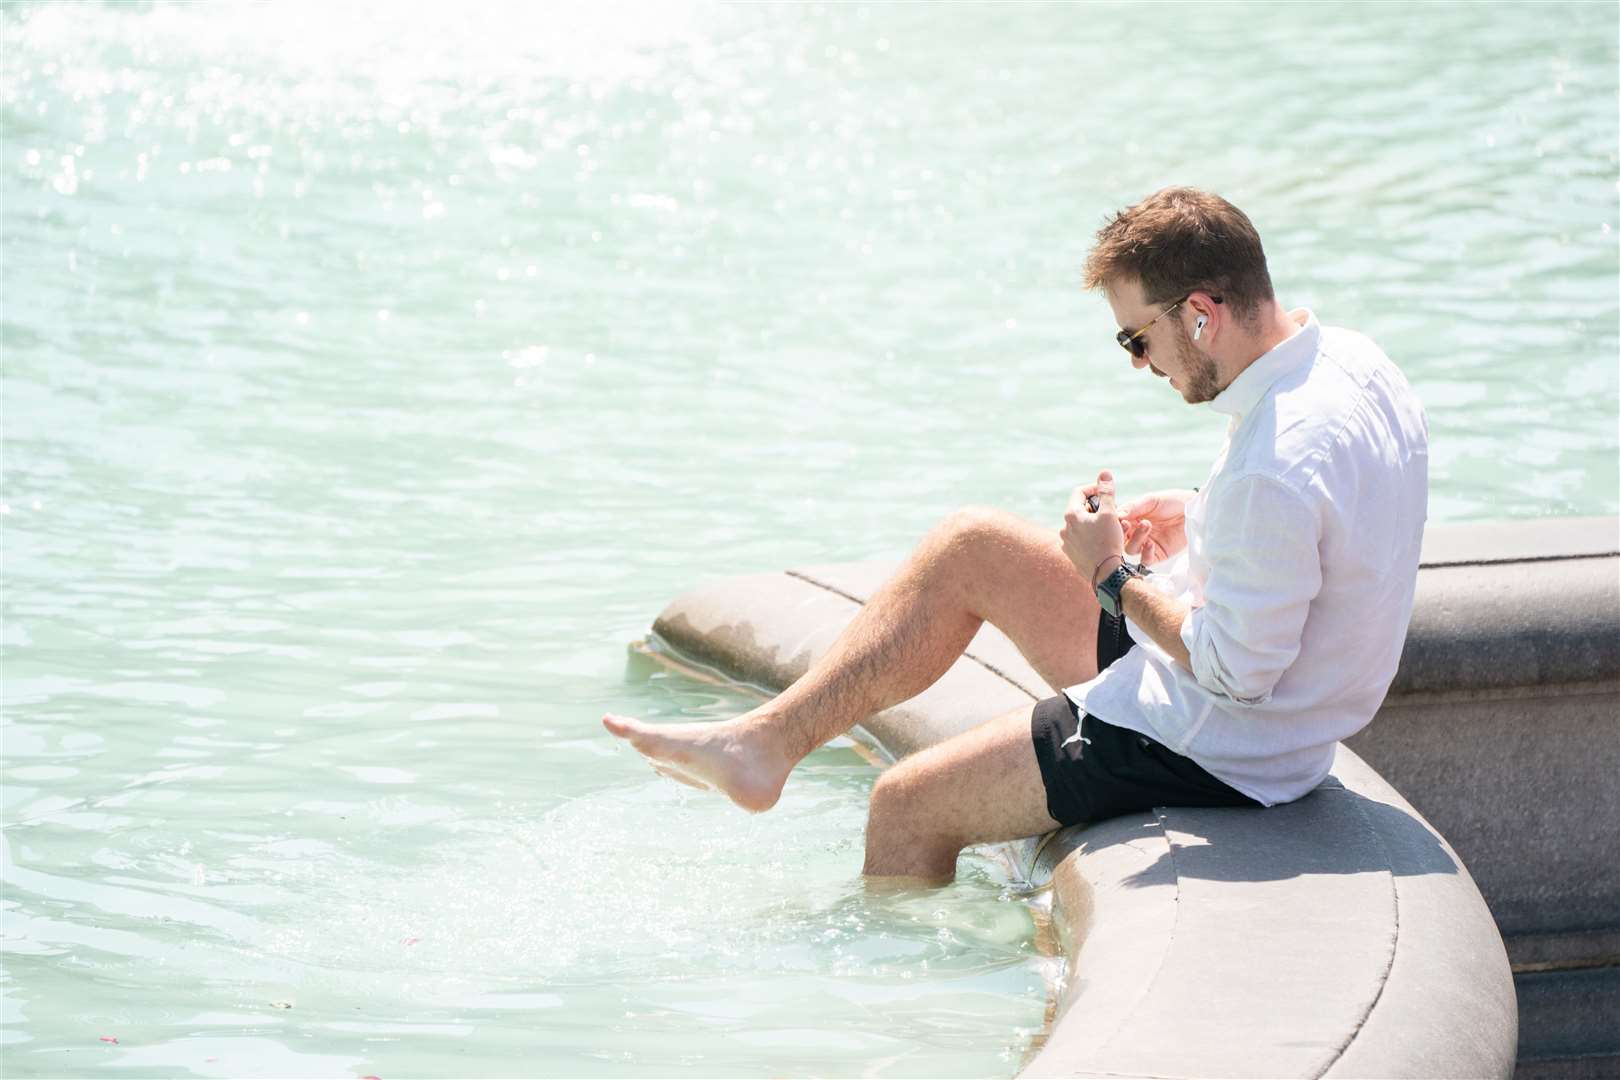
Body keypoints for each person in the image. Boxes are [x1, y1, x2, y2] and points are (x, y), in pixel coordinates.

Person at [603, 187, 1429, 881]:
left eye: (1137, 338)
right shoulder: (1353, 365)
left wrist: (1109, 574)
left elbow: (1239, 673)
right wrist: (1198, 514)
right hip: (1249, 703)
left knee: (905, 807)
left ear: (1203, 315)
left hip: (1221, 744)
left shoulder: (1271, 469)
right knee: (972, 544)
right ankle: (764, 744)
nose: (1140, 362)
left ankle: (899, 1027)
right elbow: (1323, 523)